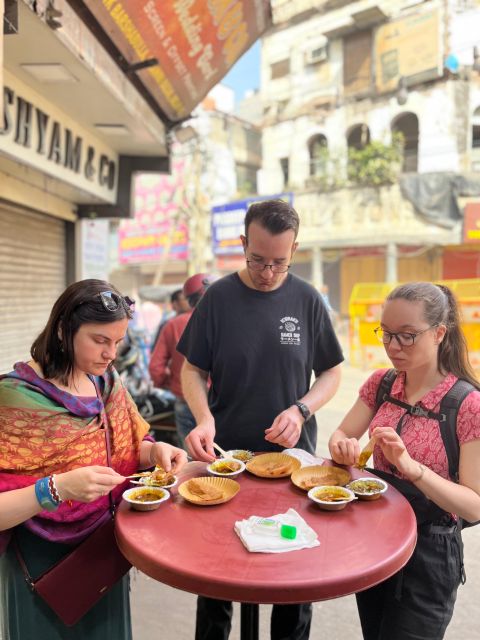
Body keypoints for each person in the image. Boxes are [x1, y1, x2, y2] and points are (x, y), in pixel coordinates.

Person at [177, 199, 344, 640]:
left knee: (293, 575)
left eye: (279, 263)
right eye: (257, 260)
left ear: (295, 251)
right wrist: (203, 419)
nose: (268, 272)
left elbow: (332, 371)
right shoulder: (218, 298)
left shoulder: (307, 300)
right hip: (227, 461)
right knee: (216, 574)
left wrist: (301, 408)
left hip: (294, 467)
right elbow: (192, 369)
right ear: (243, 243)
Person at [0, 279, 188, 640]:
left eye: (117, 343)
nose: (110, 354)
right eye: (100, 341)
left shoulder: (105, 382)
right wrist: (58, 487)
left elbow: (130, 446)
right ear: (63, 331)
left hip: (103, 553)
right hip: (43, 565)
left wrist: (155, 452)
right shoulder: (15, 400)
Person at [328, 282, 480, 640]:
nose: (393, 346)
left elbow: (473, 506)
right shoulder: (381, 384)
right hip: (377, 536)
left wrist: (414, 469)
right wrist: (343, 447)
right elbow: (340, 435)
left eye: (407, 336)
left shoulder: (467, 405)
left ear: (440, 333)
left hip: (429, 554)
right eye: (387, 333)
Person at [149, 273, 215, 448]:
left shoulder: (173, 324)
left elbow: (156, 366)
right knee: (225, 458)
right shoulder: (227, 322)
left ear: (189, 299)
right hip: (220, 403)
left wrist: (168, 384)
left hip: (185, 400)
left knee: (191, 455)